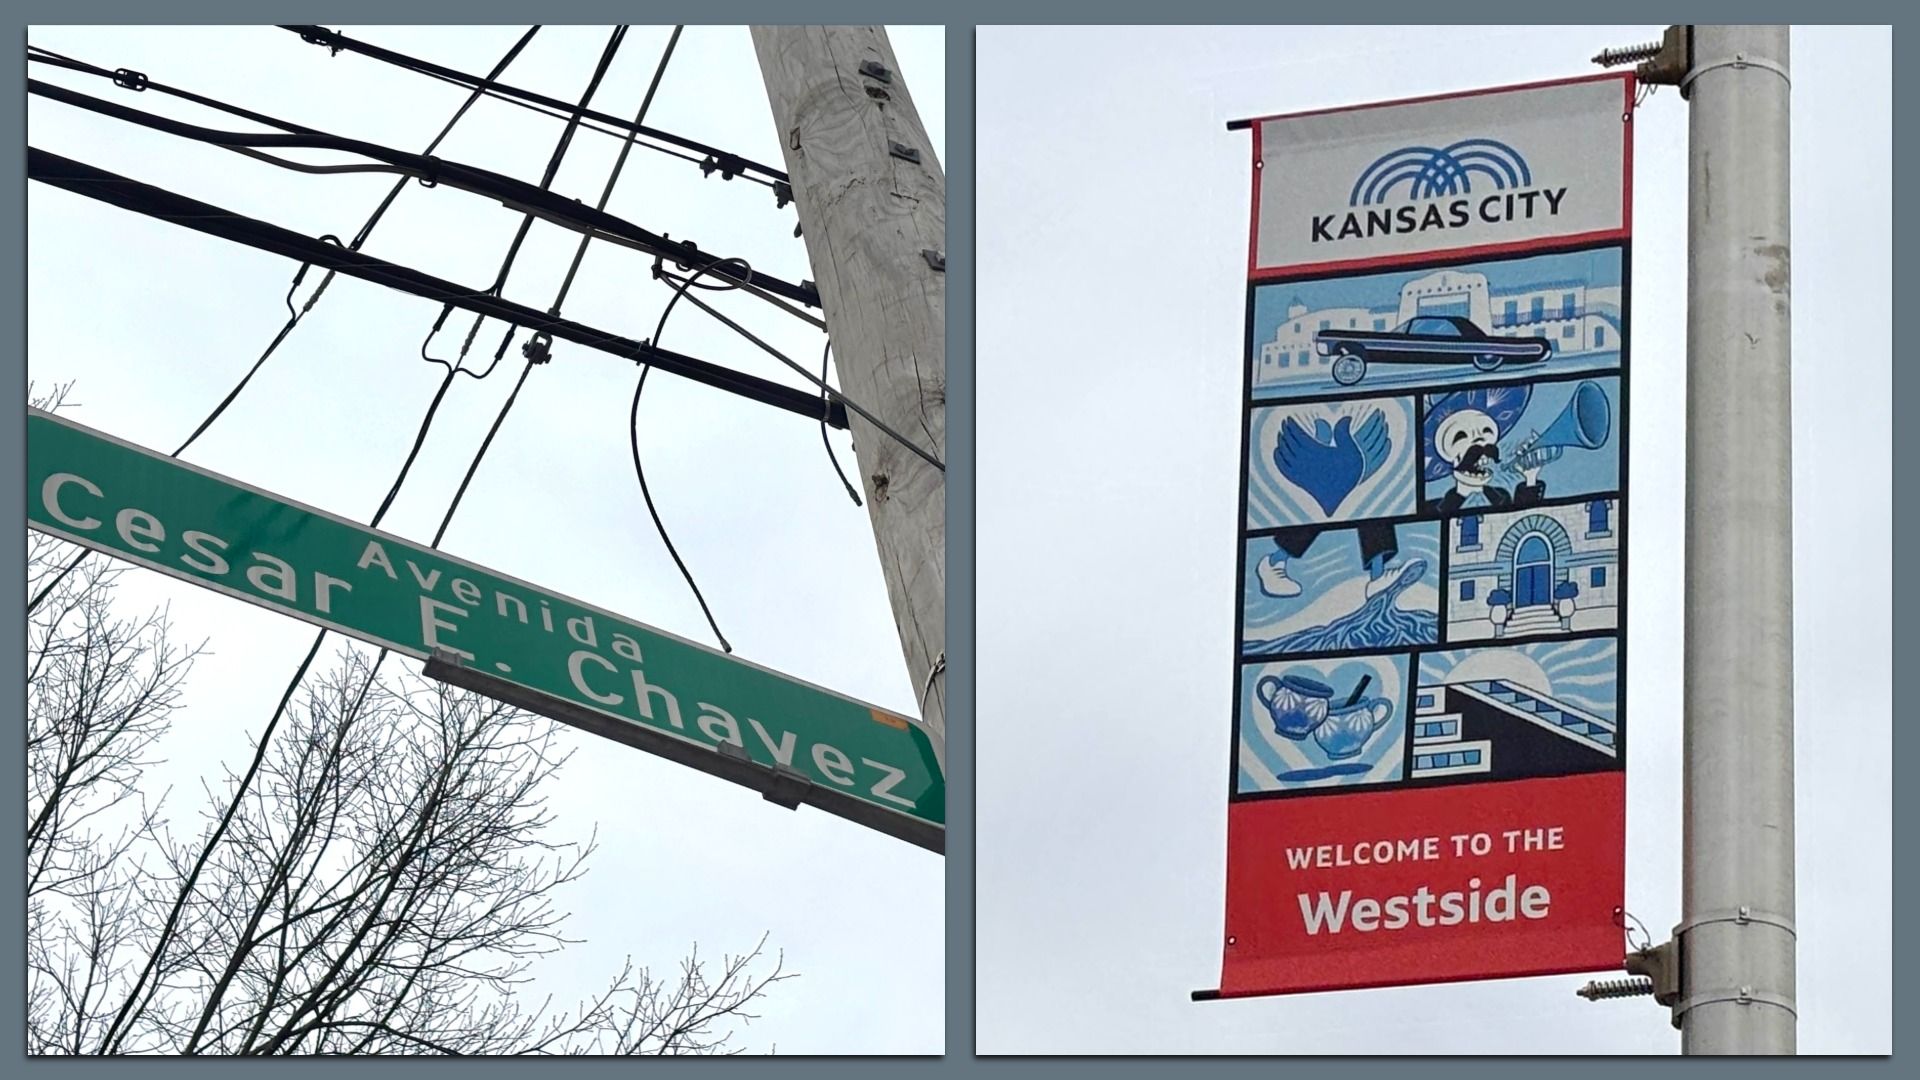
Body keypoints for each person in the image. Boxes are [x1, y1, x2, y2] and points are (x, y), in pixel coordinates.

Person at [1424, 384, 1554, 514]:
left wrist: (1530, 479)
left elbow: (1522, 522)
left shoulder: (1501, 497)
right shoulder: (1432, 509)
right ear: (1445, 454)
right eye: (1461, 435)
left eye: (1486, 430)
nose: (1479, 441)